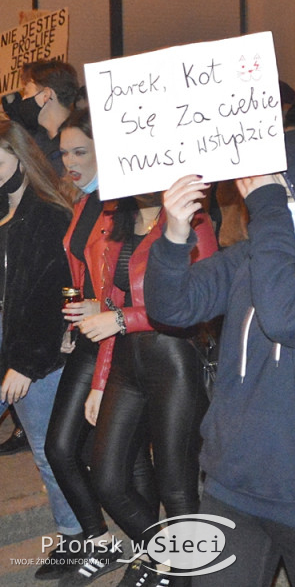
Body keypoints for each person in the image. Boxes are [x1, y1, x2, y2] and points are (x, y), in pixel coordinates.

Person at [145, 126, 295, 586]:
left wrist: (270, 210)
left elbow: (286, 317)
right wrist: (175, 236)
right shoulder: (253, 256)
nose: (271, 196)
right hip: (231, 482)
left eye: (283, 186)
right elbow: (172, 307)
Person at [80, 173, 217, 586]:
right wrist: (99, 382)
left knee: (176, 485)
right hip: (125, 360)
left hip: (173, 355)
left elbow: (202, 302)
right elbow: (107, 310)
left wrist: (123, 319)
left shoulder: (193, 223)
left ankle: (183, 575)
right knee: (105, 476)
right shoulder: (118, 226)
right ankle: (168, 557)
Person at [47, 109, 158, 586]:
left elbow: (127, 282)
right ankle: (106, 540)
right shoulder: (85, 201)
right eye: (65, 152)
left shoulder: (123, 205)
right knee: (68, 448)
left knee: (119, 458)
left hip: (121, 333)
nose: (70, 161)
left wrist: (100, 308)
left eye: (81, 151)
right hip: (92, 332)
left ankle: (156, 554)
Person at [0, 120, 83, 581]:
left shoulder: (48, 216)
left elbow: (55, 294)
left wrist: (27, 362)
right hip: (6, 338)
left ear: (19, 158)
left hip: (33, 350)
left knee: (49, 452)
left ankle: (74, 536)